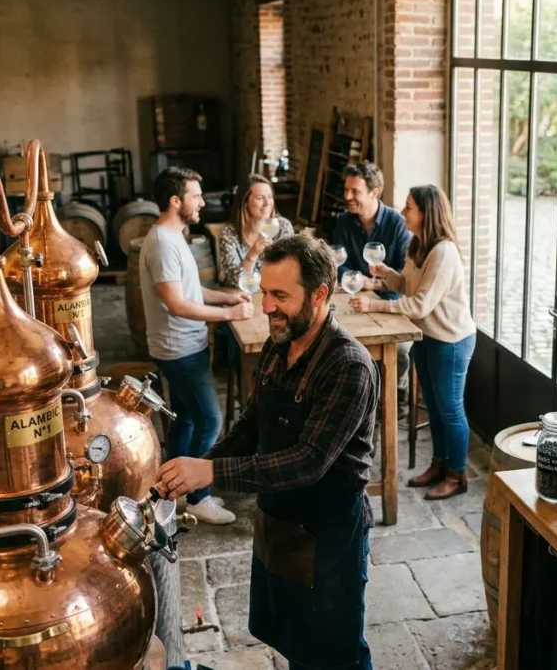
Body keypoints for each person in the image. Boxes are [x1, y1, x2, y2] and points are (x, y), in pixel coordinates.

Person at [155, 235, 378, 670]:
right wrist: (202, 466)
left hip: (327, 534)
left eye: (280, 295)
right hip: (280, 524)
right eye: (263, 291)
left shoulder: (348, 366)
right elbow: (251, 425)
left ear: (319, 295)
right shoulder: (281, 344)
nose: (266, 306)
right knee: (298, 641)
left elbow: (308, 460)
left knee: (336, 652)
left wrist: (212, 475)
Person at [140, 166, 253, 525]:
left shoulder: (175, 237)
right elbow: (176, 304)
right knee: (210, 419)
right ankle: (199, 497)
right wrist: (230, 316)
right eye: (195, 195)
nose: (202, 201)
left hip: (186, 345)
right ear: (175, 201)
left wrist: (225, 298)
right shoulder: (161, 244)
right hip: (179, 348)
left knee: (186, 419)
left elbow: (191, 292)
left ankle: (172, 490)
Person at [350, 185, 476, 500]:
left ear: (425, 213)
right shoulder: (418, 244)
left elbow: (420, 305)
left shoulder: (443, 252)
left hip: (451, 341)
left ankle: (457, 474)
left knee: (450, 409)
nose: (403, 212)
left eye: (409, 208)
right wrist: (386, 275)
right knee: (432, 409)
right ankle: (439, 464)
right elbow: (408, 285)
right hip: (426, 337)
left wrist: (375, 304)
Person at [330, 162, 413, 412]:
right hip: (353, 298)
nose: (347, 196)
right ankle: (362, 401)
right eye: (346, 190)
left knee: (398, 349)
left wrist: (373, 283)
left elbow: (403, 274)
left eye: (354, 191)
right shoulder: (344, 222)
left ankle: (396, 395)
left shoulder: (397, 223)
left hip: (390, 301)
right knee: (338, 344)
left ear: (374, 193)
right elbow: (337, 263)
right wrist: (356, 281)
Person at [217, 174, 295, 289]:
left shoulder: (283, 227)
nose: (267, 203)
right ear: (245, 202)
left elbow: (290, 272)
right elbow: (231, 281)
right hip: (242, 298)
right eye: (259, 198)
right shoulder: (229, 234)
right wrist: (252, 255)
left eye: (269, 197)